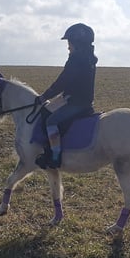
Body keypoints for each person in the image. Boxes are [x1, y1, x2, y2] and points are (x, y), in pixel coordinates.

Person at [35, 23, 98, 169]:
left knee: (51, 121)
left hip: (75, 102)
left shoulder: (75, 60)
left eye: (69, 43)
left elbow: (62, 82)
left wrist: (44, 96)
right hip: (75, 99)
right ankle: (48, 148)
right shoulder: (88, 59)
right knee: (45, 111)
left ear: (77, 43)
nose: (68, 47)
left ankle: (55, 156)